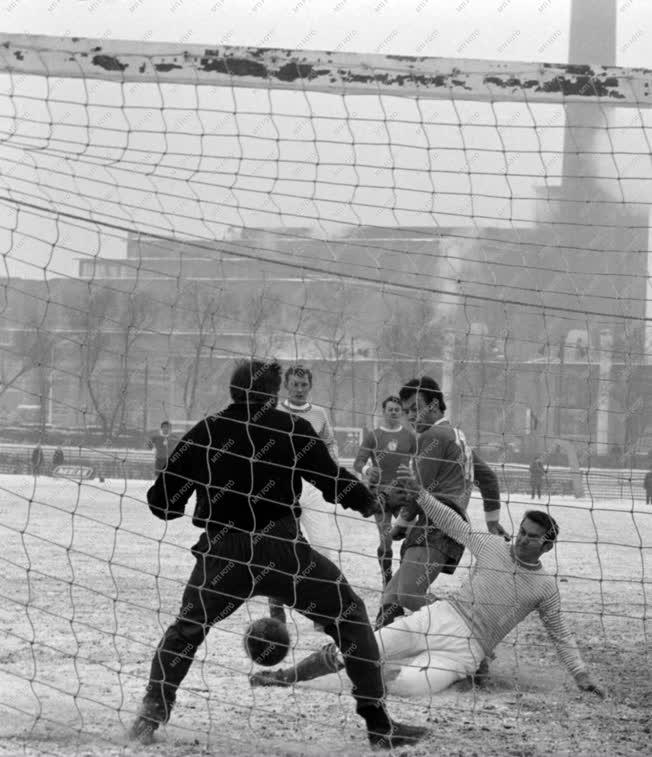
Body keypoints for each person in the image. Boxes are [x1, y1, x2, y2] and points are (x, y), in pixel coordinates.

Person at [129, 359, 426, 750]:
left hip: (225, 554)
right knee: (350, 618)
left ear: (233, 392)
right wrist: (371, 502)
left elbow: (162, 504)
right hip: (285, 552)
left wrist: (198, 481)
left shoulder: (206, 430)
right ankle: (378, 725)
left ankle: (149, 717)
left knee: (186, 631)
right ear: (274, 396)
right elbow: (334, 481)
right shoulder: (292, 428)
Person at [251, 471, 605, 701]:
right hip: (440, 616)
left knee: (407, 687)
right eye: (522, 532)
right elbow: (454, 524)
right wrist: (421, 494)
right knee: (360, 646)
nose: (522, 540)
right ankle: (285, 676)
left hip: (468, 650)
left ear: (547, 545)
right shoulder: (494, 546)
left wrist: (582, 674)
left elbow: (561, 635)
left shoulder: (544, 587)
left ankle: (459, 673)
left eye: (532, 538)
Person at [375, 377, 508, 630]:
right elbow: (489, 479)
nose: (411, 416)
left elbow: (417, 491)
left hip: (437, 525)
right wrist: (493, 523)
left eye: (416, 408)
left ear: (434, 406)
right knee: (391, 596)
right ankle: (376, 653)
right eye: (407, 411)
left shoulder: (433, 435)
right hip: (448, 525)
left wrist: (400, 526)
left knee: (410, 595)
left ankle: (472, 637)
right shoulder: (458, 437)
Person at [269, 364, 341, 624]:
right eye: (295, 385)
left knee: (322, 547)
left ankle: (323, 611)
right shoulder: (273, 410)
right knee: (280, 547)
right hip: (280, 487)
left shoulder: (319, 415)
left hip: (311, 488)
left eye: (304, 385)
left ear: (310, 386)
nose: (299, 389)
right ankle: (276, 606)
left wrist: (330, 467)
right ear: (286, 386)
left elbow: (331, 442)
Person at [353, 395, 417, 588]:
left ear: (401, 413)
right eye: (390, 409)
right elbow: (358, 462)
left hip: (403, 493)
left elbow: (419, 460)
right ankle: (387, 581)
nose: (394, 412)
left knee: (413, 535)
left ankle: (405, 579)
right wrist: (366, 470)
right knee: (386, 538)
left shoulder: (409, 436)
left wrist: (414, 474)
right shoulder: (373, 436)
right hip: (380, 494)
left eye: (397, 410)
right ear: (384, 412)